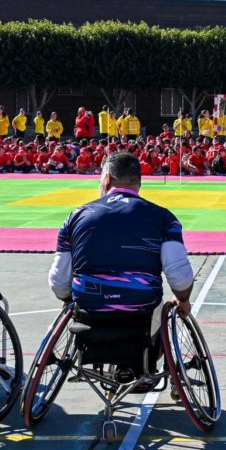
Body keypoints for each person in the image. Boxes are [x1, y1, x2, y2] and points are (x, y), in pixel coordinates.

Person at [47, 152, 195, 387]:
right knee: (164, 306)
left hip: (90, 311)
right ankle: (139, 364)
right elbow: (179, 274)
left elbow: (58, 279)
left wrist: (66, 299)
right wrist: (183, 299)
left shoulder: (76, 216)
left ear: (106, 180)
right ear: (139, 183)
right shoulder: (163, 218)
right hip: (140, 314)